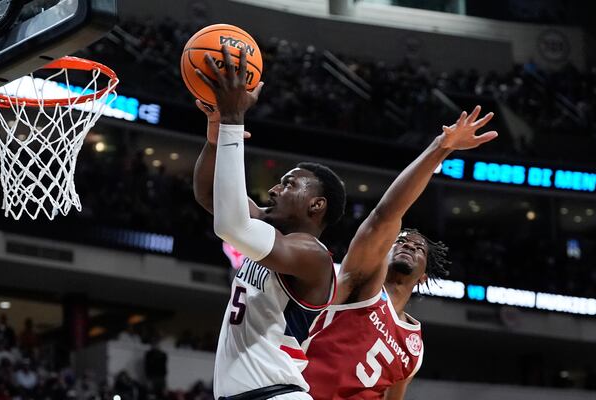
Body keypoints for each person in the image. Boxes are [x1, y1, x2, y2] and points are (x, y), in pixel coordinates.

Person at [302, 105, 497, 399]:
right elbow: (384, 216)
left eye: (419, 248)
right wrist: (440, 148)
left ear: (423, 276)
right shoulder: (360, 280)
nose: (409, 244)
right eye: (402, 240)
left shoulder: (414, 346)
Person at [193, 45, 346, 399]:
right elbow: (209, 197)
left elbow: (232, 227)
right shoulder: (266, 229)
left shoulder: (313, 256)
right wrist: (216, 132)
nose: (276, 188)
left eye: (290, 183)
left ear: (316, 205)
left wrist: (234, 120)